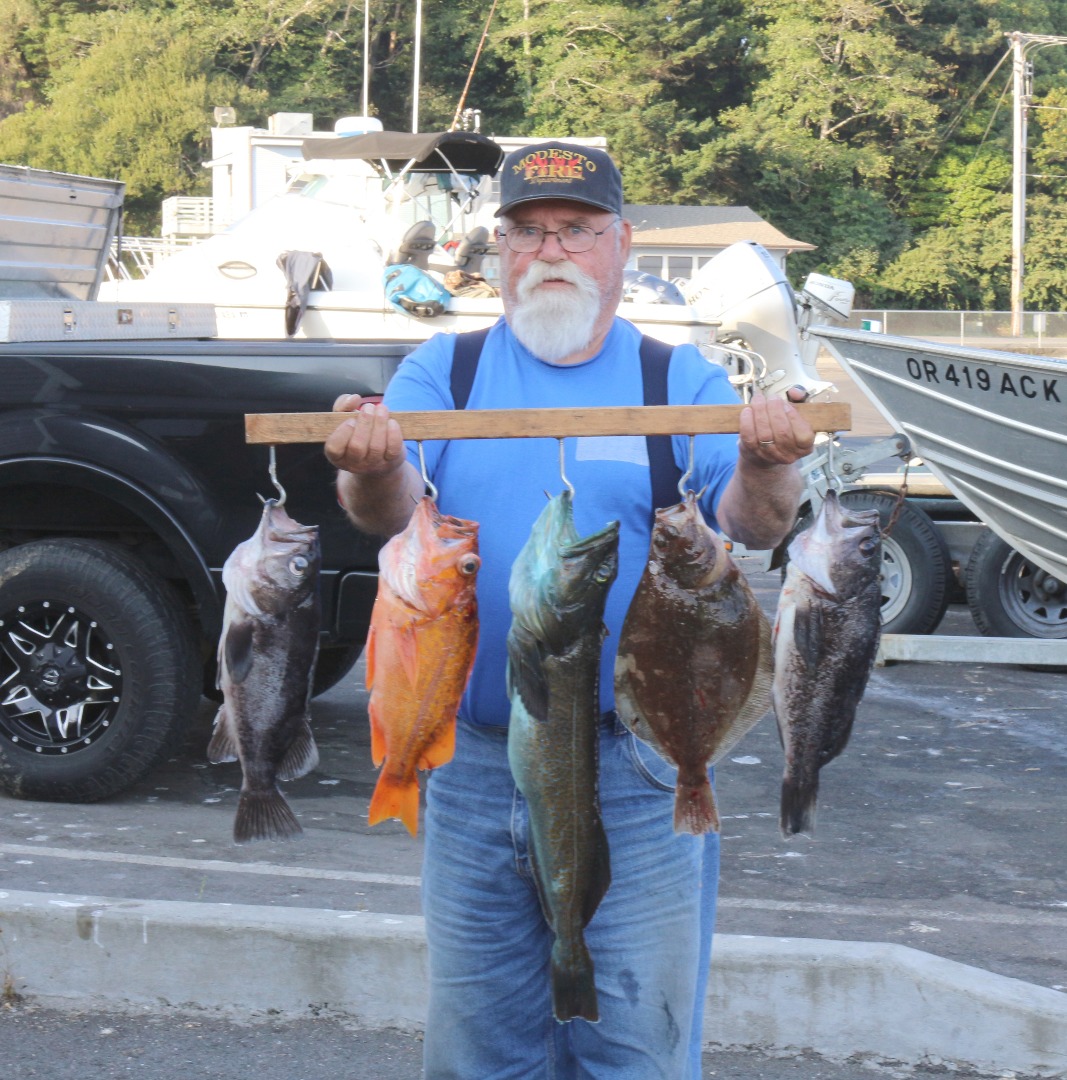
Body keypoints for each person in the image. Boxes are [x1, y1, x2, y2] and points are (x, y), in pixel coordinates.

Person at [325, 141, 815, 1080]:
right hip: (468, 770)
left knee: (639, 1051)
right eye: (527, 231)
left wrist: (769, 461)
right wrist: (374, 466)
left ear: (622, 243)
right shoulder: (444, 371)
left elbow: (750, 525)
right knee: (477, 1055)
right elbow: (387, 514)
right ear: (498, 249)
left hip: (637, 771)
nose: (551, 250)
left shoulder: (679, 383)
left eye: (578, 231)